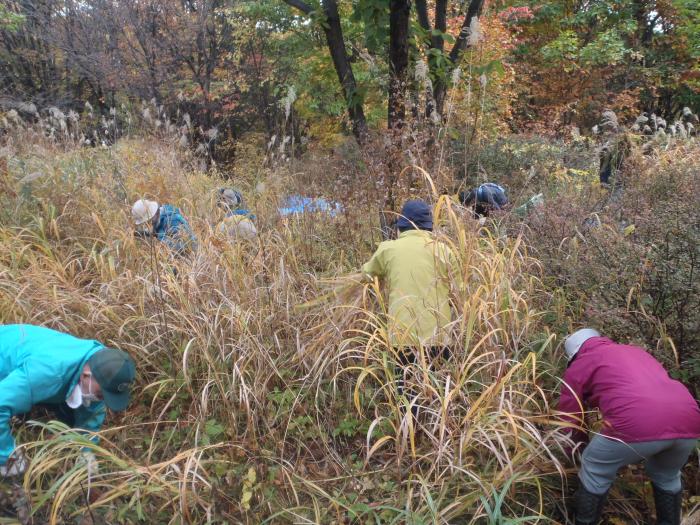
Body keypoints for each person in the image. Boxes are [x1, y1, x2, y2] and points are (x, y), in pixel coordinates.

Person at [557, 328, 700, 525]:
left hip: (638, 421)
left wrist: (575, 452)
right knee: (666, 476)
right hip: (689, 418)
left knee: (594, 466)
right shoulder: (637, 352)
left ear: (574, 355)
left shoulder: (582, 362)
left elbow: (569, 417)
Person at [0, 324, 136, 478]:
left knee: (66, 414)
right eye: (100, 395)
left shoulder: (103, 365)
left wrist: (87, 455)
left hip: (25, 354)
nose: (101, 400)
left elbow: (90, 420)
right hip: (6, 356)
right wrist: (8, 458)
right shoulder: (49, 373)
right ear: (86, 376)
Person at [361, 200, 461, 395]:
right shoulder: (445, 251)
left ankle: (410, 424)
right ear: (429, 227)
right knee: (439, 393)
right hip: (438, 336)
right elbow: (459, 290)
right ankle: (437, 425)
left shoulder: (388, 249)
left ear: (401, 226)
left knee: (407, 393)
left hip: (402, 337)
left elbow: (365, 275)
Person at [131, 198, 197, 254]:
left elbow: (185, 244)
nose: (146, 223)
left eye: (147, 221)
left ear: (153, 214)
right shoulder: (160, 215)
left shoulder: (172, 220)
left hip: (190, 255)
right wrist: (141, 233)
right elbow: (157, 230)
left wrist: (162, 245)